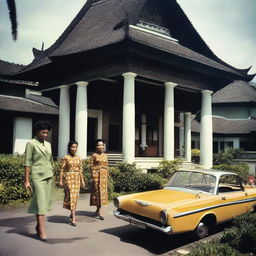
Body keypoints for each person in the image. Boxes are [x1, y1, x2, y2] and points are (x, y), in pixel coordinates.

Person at [24, 120, 54, 242]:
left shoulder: (48, 144)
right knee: (40, 203)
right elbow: (27, 162)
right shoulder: (30, 143)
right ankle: (42, 229)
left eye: (47, 133)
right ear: (37, 132)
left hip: (49, 176)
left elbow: (51, 160)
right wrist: (26, 180)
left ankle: (38, 225)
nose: (46, 135)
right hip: (37, 177)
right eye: (43, 132)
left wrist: (53, 172)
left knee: (44, 203)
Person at [59, 141, 85, 226]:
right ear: (69, 148)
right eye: (72, 147)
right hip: (69, 178)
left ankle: (71, 214)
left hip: (77, 179)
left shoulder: (78, 158)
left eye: (76, 147)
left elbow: (81, 170)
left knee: (75, 197)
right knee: (71, 196)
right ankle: (74, 217)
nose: (74, 149)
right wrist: (61, 180)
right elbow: (62, 169)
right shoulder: (66, 157)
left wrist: (82, 181)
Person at [90, 139, 109, 220]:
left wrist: (108, 175)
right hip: (96, 176)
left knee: (102, 193)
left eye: (102, 145)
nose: (100, 146)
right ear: (96, 146)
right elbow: (91, 166)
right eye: (99, 145)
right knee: (97, 193)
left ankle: (98, 210)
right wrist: (94, 176)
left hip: (104, 177)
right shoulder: (94, 155)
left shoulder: (105, 155)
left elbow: (107, 166)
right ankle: (98, 210)